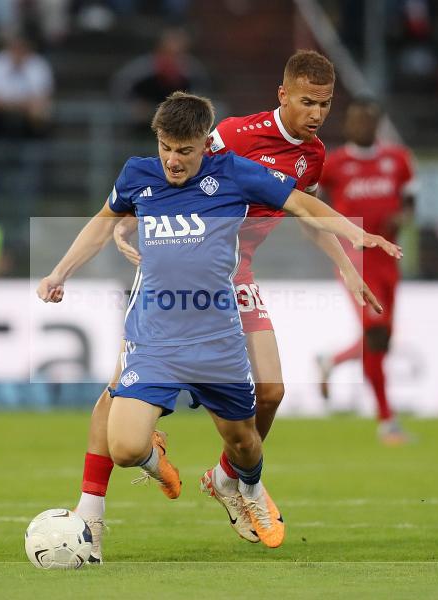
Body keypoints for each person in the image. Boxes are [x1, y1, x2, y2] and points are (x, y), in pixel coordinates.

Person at [37, 91, 400, 552]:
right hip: (155, 335)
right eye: (165, 147)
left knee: (246, 443)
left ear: (205, 143)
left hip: (217, 341)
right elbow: (102, 222)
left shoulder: (233, 173)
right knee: (127, 448)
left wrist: (356, 233)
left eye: (184, 150)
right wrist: (59, 272)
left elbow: (303, 206)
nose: (172, 160)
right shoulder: (137, 174)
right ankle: (150, 462)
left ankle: (245, 487)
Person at [316, 96, 417, 446]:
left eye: (368, 119)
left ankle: (333, 360)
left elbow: (411, 202)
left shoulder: (398, 160)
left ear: (378, 123)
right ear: (348, 124)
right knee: (375, 332)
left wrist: (402, 217)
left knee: (382, 339)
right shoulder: (334, 164)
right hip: (355, 261)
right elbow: (313, 202)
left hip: (388, 259)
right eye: (356, 119)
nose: (362, 125)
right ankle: (387, 421)